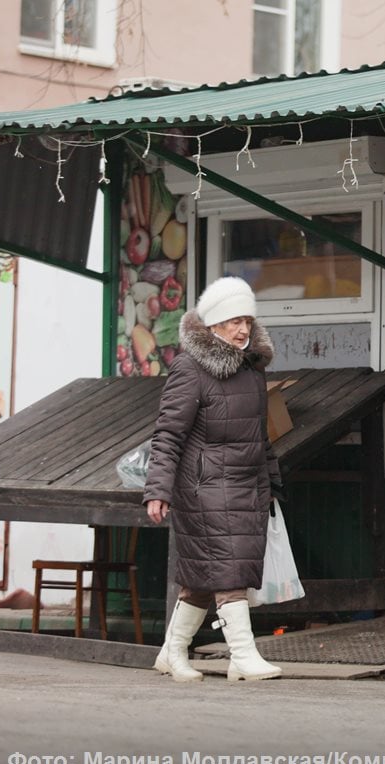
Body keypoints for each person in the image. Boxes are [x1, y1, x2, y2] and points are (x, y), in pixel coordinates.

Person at [143, 277, 283, 682]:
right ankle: (242, 654)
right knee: (228, 570)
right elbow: (169, 432)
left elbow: (260, 434)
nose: (243, 329)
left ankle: (171, 653)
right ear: (213, 326)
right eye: (233, 321)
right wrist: (158, 489)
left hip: (245, 483)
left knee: (203, 578)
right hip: (203, 486)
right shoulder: (190, 367)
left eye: (247, 320)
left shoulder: (252, 369)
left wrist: (271, 483)